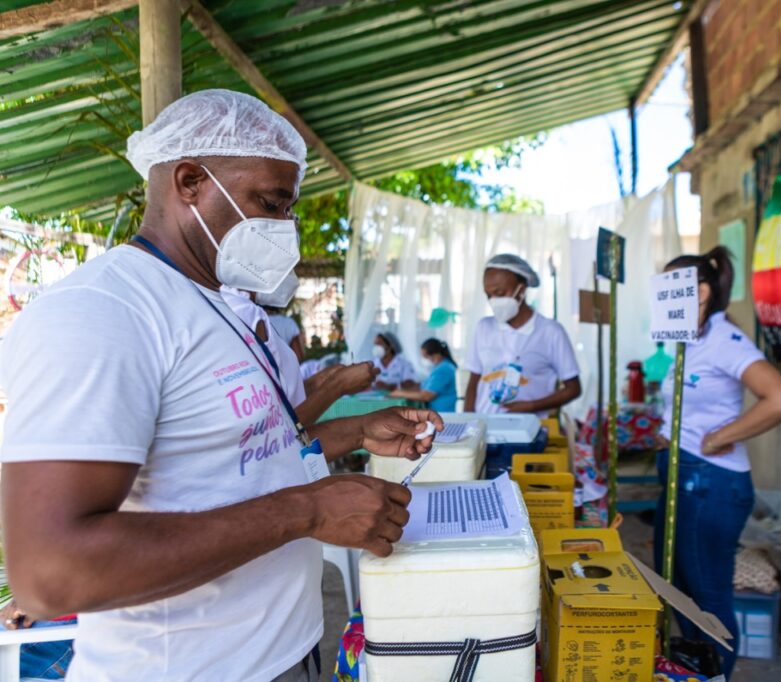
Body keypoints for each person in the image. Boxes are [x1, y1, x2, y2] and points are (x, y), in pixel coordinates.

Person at [0, 89, 442, 682]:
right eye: (270, 203)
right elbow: (51, 571)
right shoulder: (103, 312)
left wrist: (357, 430)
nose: (283, 227)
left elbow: (246, 453)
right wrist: (309, 509)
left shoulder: (215, 305)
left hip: (284, 652)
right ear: (190, 181)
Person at [652, 246, 781, 679]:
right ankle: (698, 668)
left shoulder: (724, 340)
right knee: (677, 588)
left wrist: (721, 436)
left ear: (700, 292)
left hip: (711, 485)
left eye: (670, 287)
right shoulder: (688, 339)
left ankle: (716, 674)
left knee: (709, 598)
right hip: (684, 475)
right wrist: (670, 433)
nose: (661, 295)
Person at [221, 283, 379, 425]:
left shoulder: (233, 306)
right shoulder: (244, 312)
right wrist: (338, 384)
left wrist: (322, 380)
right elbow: (276, 424)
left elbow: (281, 396)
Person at [464, 254, 581, 417]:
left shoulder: (550, 332)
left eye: (500, 292)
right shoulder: (484, 328)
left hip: (530, 428)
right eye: (489, 295)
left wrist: (532, 406)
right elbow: (473, 381)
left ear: (522, 289)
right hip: (486, 425)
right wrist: (469, 420)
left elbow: (573, 389)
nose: (494, 300)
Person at [390, 338, 458, 412]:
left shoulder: (443, 369)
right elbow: (424, 387)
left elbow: (427, 396)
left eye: (426, 357)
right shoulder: (444, 366)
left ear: (434, 354)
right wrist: (404, 390)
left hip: (443, 412)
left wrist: (400, 394)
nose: (427, 360)